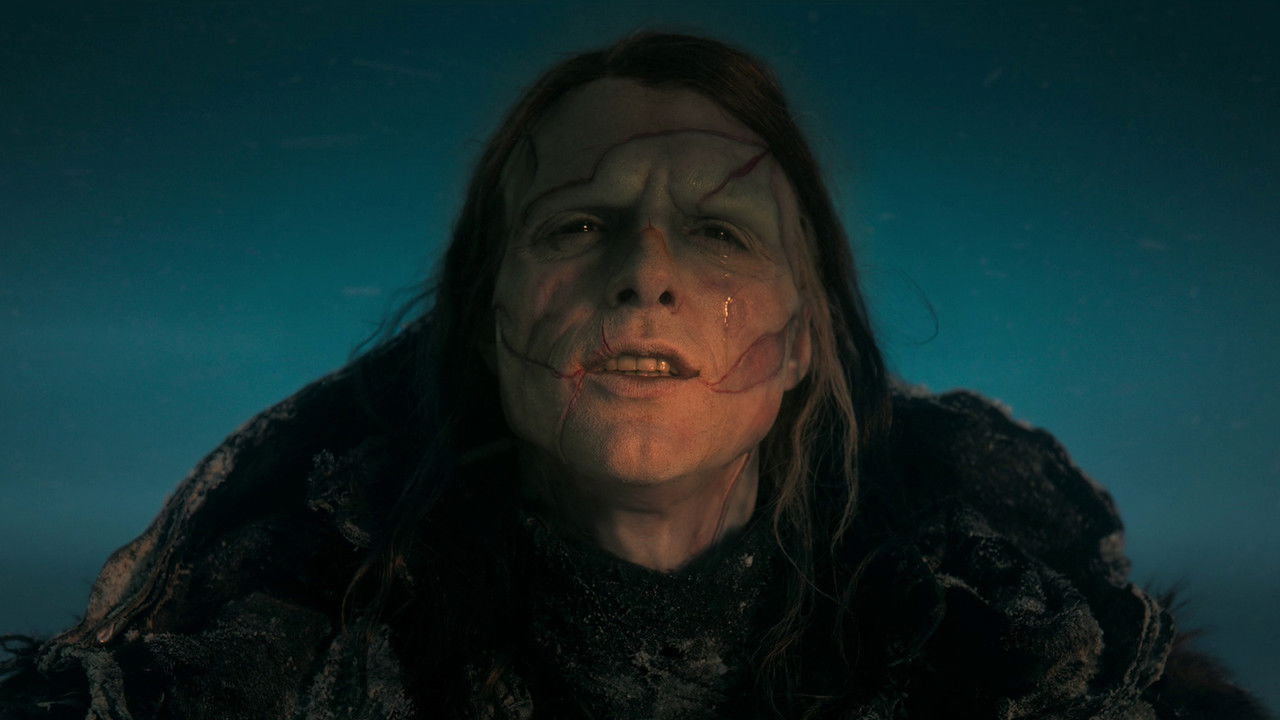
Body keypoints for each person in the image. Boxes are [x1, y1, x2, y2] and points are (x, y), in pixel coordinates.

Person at [0, 32, 1268, 720]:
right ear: (484, 318)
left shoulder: (1000, 648)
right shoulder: (283, 639)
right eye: (574, 224)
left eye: (717, 231)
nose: (643, 274)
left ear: (806, 340)